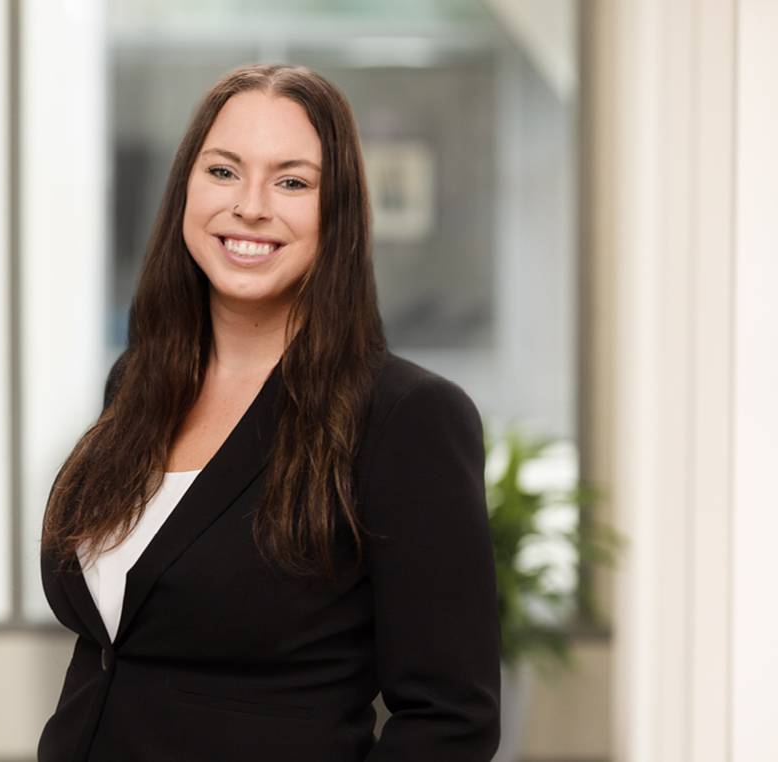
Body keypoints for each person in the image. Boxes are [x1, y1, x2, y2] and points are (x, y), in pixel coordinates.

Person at [37, 62, 500, 762]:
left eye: (292, 182)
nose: (250, 206)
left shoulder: (406, 419)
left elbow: (450, 720)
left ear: (336, 211)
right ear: (185, 189)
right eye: (223, 171)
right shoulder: (138, 385)